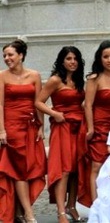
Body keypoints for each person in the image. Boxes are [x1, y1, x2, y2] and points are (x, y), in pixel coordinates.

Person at [35, 46, 90, 222]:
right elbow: (38, 102)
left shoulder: (79, 81)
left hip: (78, 127)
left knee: (76, 170)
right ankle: (60, 212)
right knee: (64, 170)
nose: (72, 62)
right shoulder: (55, 80)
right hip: (62, 128)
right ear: (62, 61)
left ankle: (72, 206)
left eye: (75, 59)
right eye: (68, 59)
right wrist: (54, 113)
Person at [0, 39, 46, 223]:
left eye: (10, 54)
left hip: (30, 127)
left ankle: (19, 212)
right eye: (4, 55)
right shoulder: (2, 76)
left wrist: (42, 126)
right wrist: (1, 130)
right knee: (19, 171)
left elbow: (38, 103)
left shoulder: (35, 75)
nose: (7, 58)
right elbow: (0, 104)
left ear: (21, 55)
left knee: (32, 168)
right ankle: (29, 213)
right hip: (11, 128)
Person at [84, 40, 110, 202]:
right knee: (96, 165)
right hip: (99, 125)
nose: (109, 60)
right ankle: (96, 204)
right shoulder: (94, 78)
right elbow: (88, 105)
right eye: (105, 57)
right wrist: (90, 129)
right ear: (100, 59)